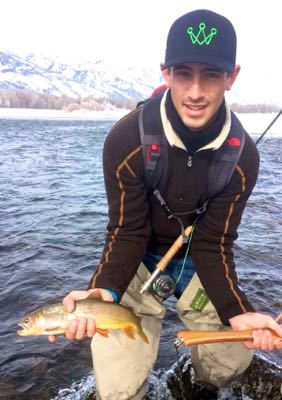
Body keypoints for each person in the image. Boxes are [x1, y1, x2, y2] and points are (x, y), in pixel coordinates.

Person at [49, 9, 282, 400]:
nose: (195, 91)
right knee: (119, 390)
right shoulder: (126, 140)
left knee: (228, 366)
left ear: (232, 76)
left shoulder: (243, 159)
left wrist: (238, 310)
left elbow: (214, 244)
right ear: (165, 73)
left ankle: (200, 375)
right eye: (183, 73)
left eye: (210, 74)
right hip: (138, 256)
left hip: (198, 256)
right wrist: (102, 290)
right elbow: (126, 231)